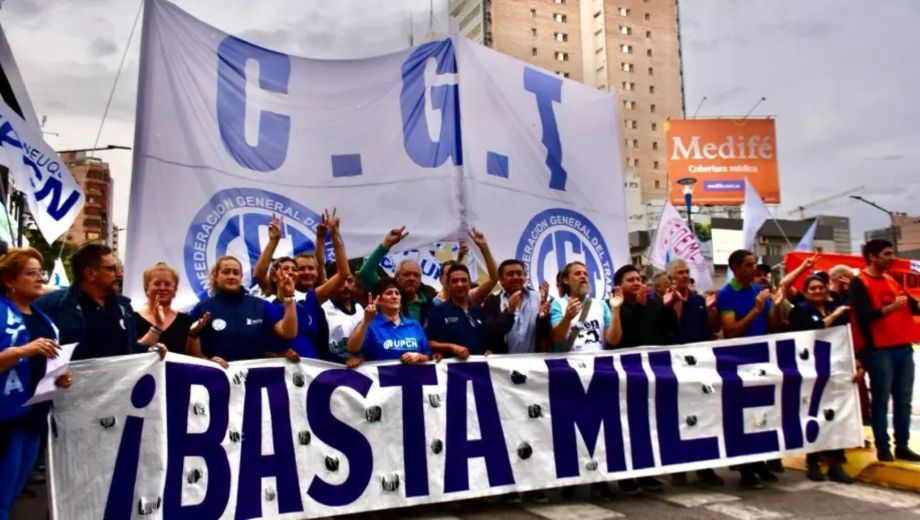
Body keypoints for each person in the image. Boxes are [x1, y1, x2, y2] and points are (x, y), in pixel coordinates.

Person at [0, 248, 72, 520]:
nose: (40, 278)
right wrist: (22, 351)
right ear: (9, 280)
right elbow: (24, 354)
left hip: (34, 417)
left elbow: (46, 362)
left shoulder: (44, 320)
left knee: (13, 494)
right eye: (31, 273)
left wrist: (59, 377)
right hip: (6, 419)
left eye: (40, 273)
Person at [717, 249, 785, 488]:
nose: (752, 269)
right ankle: (746, 469)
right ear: (735, 267)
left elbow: (774, 325)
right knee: (743, 415)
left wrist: (774, 307)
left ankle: (760, 463)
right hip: (740, 362)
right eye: (747, 265)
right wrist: (755, 310)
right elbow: (731, 329)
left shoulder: (759, 291)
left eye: (753, 264)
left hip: (763, 359)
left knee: (763, 412)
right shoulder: (726, 294)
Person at [849, 239, 920, 462]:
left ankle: (902, 445)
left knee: (903, 400)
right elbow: (862, 316)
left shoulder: (891, 279)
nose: (891, 258)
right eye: (887, 254)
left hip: (902, 347)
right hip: (878, 350)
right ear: (872, 256)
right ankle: (883, 447)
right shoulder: (859, 282)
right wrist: (889, 309)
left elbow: (911, 305)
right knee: (880, 400)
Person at [662, 260, 724, 488]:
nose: (685, 276)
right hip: (676, 369)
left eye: (687, 272)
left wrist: (710, 309)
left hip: (701, 368)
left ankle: (704, 467)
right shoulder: (665, 303)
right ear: (670, 278)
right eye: (680, 273)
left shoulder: (699, 300)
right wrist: (675, 306)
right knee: (679, 418)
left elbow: (714, 329)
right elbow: (668, 331)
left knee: (703, 417)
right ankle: (678, 468)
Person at [787, 274, 854, 483]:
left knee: (837, 415)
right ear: (806, 292)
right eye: (813, 288)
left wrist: (857, 363)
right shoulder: (800, 311)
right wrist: (833, 317)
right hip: (811, 370)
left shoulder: (838, 310)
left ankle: (835, 464)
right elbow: (811, 333)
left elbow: (847, 338)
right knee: (813, 414)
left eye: (821, 287)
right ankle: (813, 462)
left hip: (836, 369)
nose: (818, 291)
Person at [35, 244, 144, 360]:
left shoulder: (124, 306)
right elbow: (36, 351)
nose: (119, 274)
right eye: (111, 269)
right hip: (72, 377)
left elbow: (131, 348)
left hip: (119, 377)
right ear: (90, 273)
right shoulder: (52, 306)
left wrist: (149, 350)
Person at [187, 256, 298, 367]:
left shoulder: (260, 305)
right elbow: (191, 355)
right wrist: (209, 363)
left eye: (236, 273)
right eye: (226, 272)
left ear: (241, 277)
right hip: (218, 379)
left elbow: (288, 333)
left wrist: (289, 297)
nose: (231, 276)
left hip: (256, 378)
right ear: (216, 276)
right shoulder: (202, 308)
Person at [347, 278, 431, 363]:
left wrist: (419, 357)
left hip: (413, 376)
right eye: (389, 293)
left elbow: (428, 356)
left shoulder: (414, 325)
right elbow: (352, 348)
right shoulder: (369, 325)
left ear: (401, 301)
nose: (394, 296)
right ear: (379, 300)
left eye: (397, 293)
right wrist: (365, 321)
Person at [482, 259, 551, 355]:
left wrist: (543, 319)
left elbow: (546, 335)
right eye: (510, 274)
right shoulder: (492, 300)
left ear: (525, 277)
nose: (515, 277)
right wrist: (509, 312)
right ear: (501, 280)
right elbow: (491, 332)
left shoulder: (539, 298)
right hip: (503, 365)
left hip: (534, 363)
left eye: (519, 273)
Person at [550, 261, 619, 353]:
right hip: (569, 365)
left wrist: (616, 309)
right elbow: (556, 338)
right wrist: (567, 318)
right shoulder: (558, 304)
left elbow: (613, 340)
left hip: (597, 364)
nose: (583, 276)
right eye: (577, 274)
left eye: (585, 274)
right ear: (566, 280)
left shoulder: (600, 304)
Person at [426, 265, 489, 358]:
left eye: (464, 280)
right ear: (448, 285)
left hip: (481, 369)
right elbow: (428, 342)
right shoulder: (437, 312)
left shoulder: (479, 310)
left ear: (469, 283)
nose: (460, 284)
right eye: (455, 281)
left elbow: (488, 339)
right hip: (454, 370)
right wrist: (451, 347)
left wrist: (490, 350)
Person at [608, 265, 676, 349]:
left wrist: (668, 307)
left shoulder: (653, 302)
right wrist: (640, 307)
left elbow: (669, 329)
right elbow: (627, 337)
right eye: (630, 280)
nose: (636, 283)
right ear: (619, 286)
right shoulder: (612, 306)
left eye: (638, 279)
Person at [135, 263, 194, 354]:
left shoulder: (186, 321)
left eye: (167, 284)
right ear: (147, 289)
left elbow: (193, 356)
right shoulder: (132, 318)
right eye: (157, 283)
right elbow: (132, 352)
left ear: (175, 290)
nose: (162, 288)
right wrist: (157, 327)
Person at [321, 271, 364, 366]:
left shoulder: (362, 308)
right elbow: (319, 348)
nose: (345, 285)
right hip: (332, 371)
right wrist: (343, 361)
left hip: (363, 369)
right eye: (340, 281)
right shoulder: (323, 309)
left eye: (350, 281)